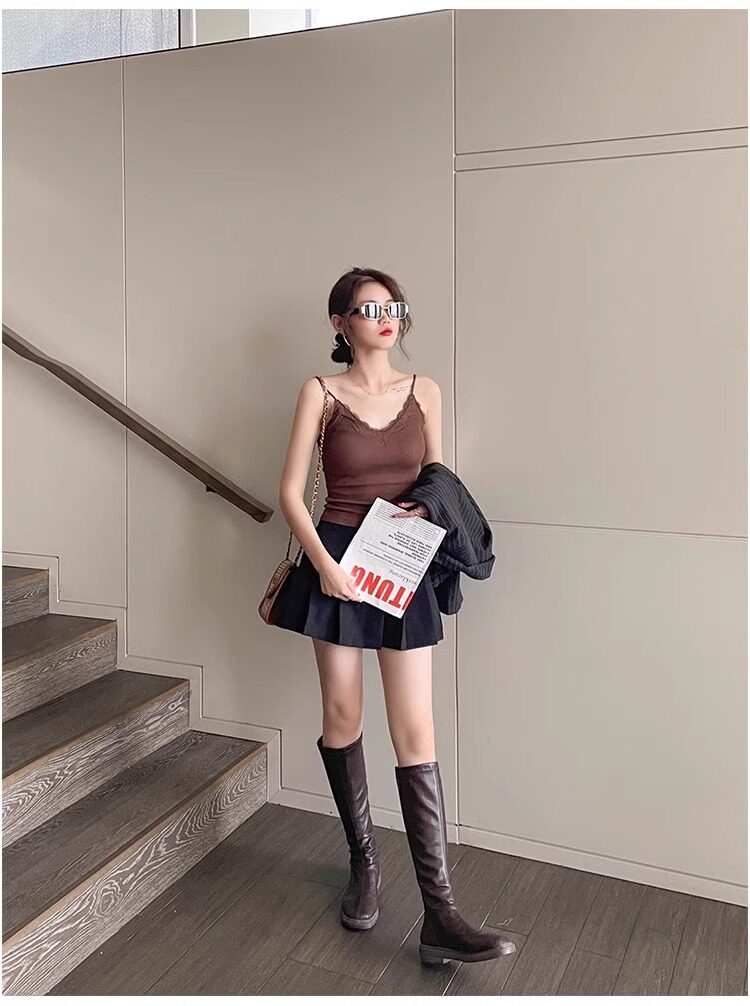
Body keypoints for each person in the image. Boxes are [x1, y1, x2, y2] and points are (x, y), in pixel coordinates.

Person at [275, 267, 516, 967]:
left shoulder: (425, 391)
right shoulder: (320, 393)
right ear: (340, 323)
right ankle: (364, 865)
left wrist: (424, 508)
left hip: (401, 559)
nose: (386, 319)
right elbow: (289, 491)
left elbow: (440, 477)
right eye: (369, 309)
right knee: (343, 717)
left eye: (393, 307)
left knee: (416, 729)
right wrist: (324, 565)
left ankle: (440, 913)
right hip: (337, 558)